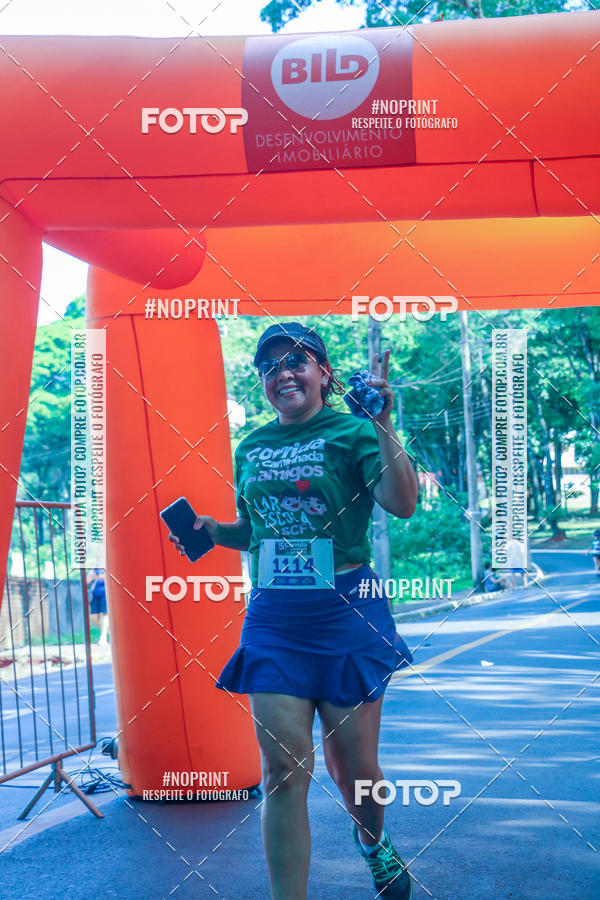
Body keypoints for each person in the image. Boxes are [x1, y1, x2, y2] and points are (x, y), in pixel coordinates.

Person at [168, 322, 419, 900]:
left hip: (347, 616)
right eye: (271, 367)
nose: (283, 373)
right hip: (275, 621)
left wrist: (382, 422)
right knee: (283, 771)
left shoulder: (355, 432)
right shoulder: (251, 447)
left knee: (356, 773)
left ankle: (373, 841)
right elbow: (254, 532)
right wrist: (214, 532)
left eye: (297, 362)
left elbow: (402, 504)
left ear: (323, 374)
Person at [87, 568, 109, 646]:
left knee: (104, 614)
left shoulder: (107, 564)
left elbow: (110, 576)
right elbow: (87, 581)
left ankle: (103, 638)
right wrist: (94, 576)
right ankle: (106, 632)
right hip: (95, 595)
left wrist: (100, 576)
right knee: (93, 616)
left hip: (105, 593)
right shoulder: (94, 568)